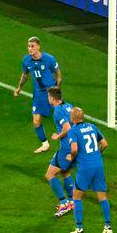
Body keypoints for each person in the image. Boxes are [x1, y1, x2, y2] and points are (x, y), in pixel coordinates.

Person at [67, 107, 112, 233]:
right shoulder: (92, 126)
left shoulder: (73, 130)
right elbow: (104, 144)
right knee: (102, 196)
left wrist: (71, 157)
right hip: (98, 165)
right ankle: (108, 226)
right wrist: (96, 154)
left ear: (73, 118)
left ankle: (79, 229)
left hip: (85, 167)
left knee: (76, 196)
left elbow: (74, 149)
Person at [13, 37, 62, 153]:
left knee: (62, 117)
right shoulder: (26, 60)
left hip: (51, 91)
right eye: (29, 46)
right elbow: (25, 75)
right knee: (36, 120)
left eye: (32, 46)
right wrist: (19, 87)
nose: (30, 49)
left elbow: (58, 73)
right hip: (39, 93)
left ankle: (74, 137)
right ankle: (45, 144)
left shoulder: (49, 58)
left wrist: (58, 88)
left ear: (38, 46)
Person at [46, 88, 76, 218]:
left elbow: (67, 128)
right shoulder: (69, 106)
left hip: (66, 148)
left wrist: (58, 136)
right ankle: (72, 201)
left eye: (48, 96)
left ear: (52, 98)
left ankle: (64, 203)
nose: (48, 98)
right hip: (75, 145)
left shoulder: (58, 111)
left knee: (50, 175)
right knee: (65, 172)